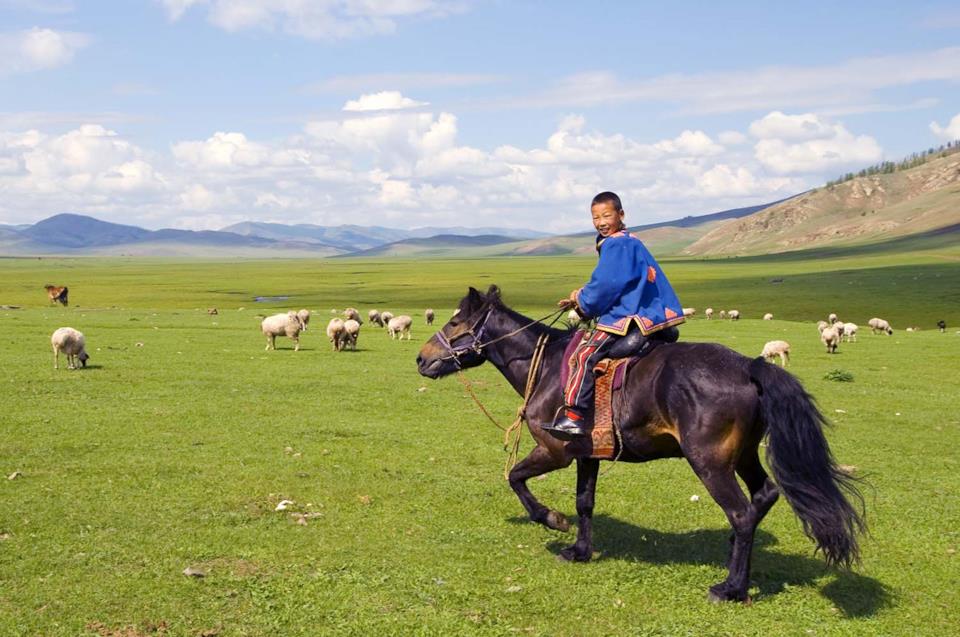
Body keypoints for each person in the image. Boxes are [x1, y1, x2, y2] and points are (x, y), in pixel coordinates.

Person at [541, 191, 685, 440]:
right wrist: (580, 296)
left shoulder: (616, 243)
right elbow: (609, 281)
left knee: (583, 354)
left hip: (629, 315)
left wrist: (582, 303)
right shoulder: (629, 240)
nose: (601, 222)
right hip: (649, 312)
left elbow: (607, 285)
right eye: (595, 217)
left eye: (606, 215)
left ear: (621, 214)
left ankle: (573, 416)